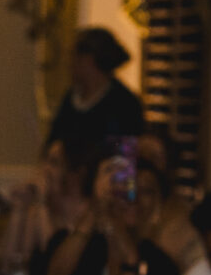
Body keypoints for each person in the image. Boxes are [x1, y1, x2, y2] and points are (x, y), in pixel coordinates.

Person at [43, 139, 180, 275]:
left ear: (159, 207)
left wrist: (131, 260)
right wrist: (96, 209)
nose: (134, 199)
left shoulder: (162, 267)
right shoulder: (80, 244)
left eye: (147, 192)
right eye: (126, 188)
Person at [0, 137, 86, 275]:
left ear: (73, 174)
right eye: (45, 161)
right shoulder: (37, 211)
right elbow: (7, 268)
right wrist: (19, 210)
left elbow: (52, 264)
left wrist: (41, 204)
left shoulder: (84, 214)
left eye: (54, 163)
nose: (45, 169)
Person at [46, 26, 145, 169]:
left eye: (73, 56)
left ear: (88, 59)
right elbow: (52, 144)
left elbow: (123, 160)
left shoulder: (124, 103)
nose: (69, 63)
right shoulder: (70, 99)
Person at [135, 124, 204, 272]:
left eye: (154, 157)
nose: (145, 163)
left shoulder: (187, 222)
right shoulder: (119, 210)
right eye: (140, 155)